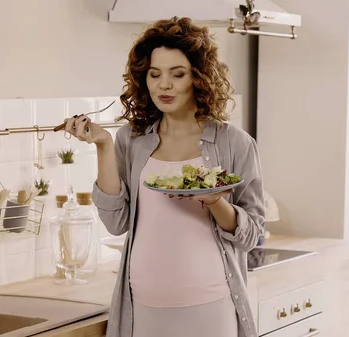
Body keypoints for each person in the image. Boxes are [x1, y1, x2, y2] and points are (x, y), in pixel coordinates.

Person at [63, 17, 265, 337]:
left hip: (209, 303)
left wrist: (215, 202)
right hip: (143, 304)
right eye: (154, 74)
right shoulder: (131, 139)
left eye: (178, 74)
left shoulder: (235, 143)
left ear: (198, 78)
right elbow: (117, 223)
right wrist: (103, 144)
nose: (164, 85)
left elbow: (251, 236)